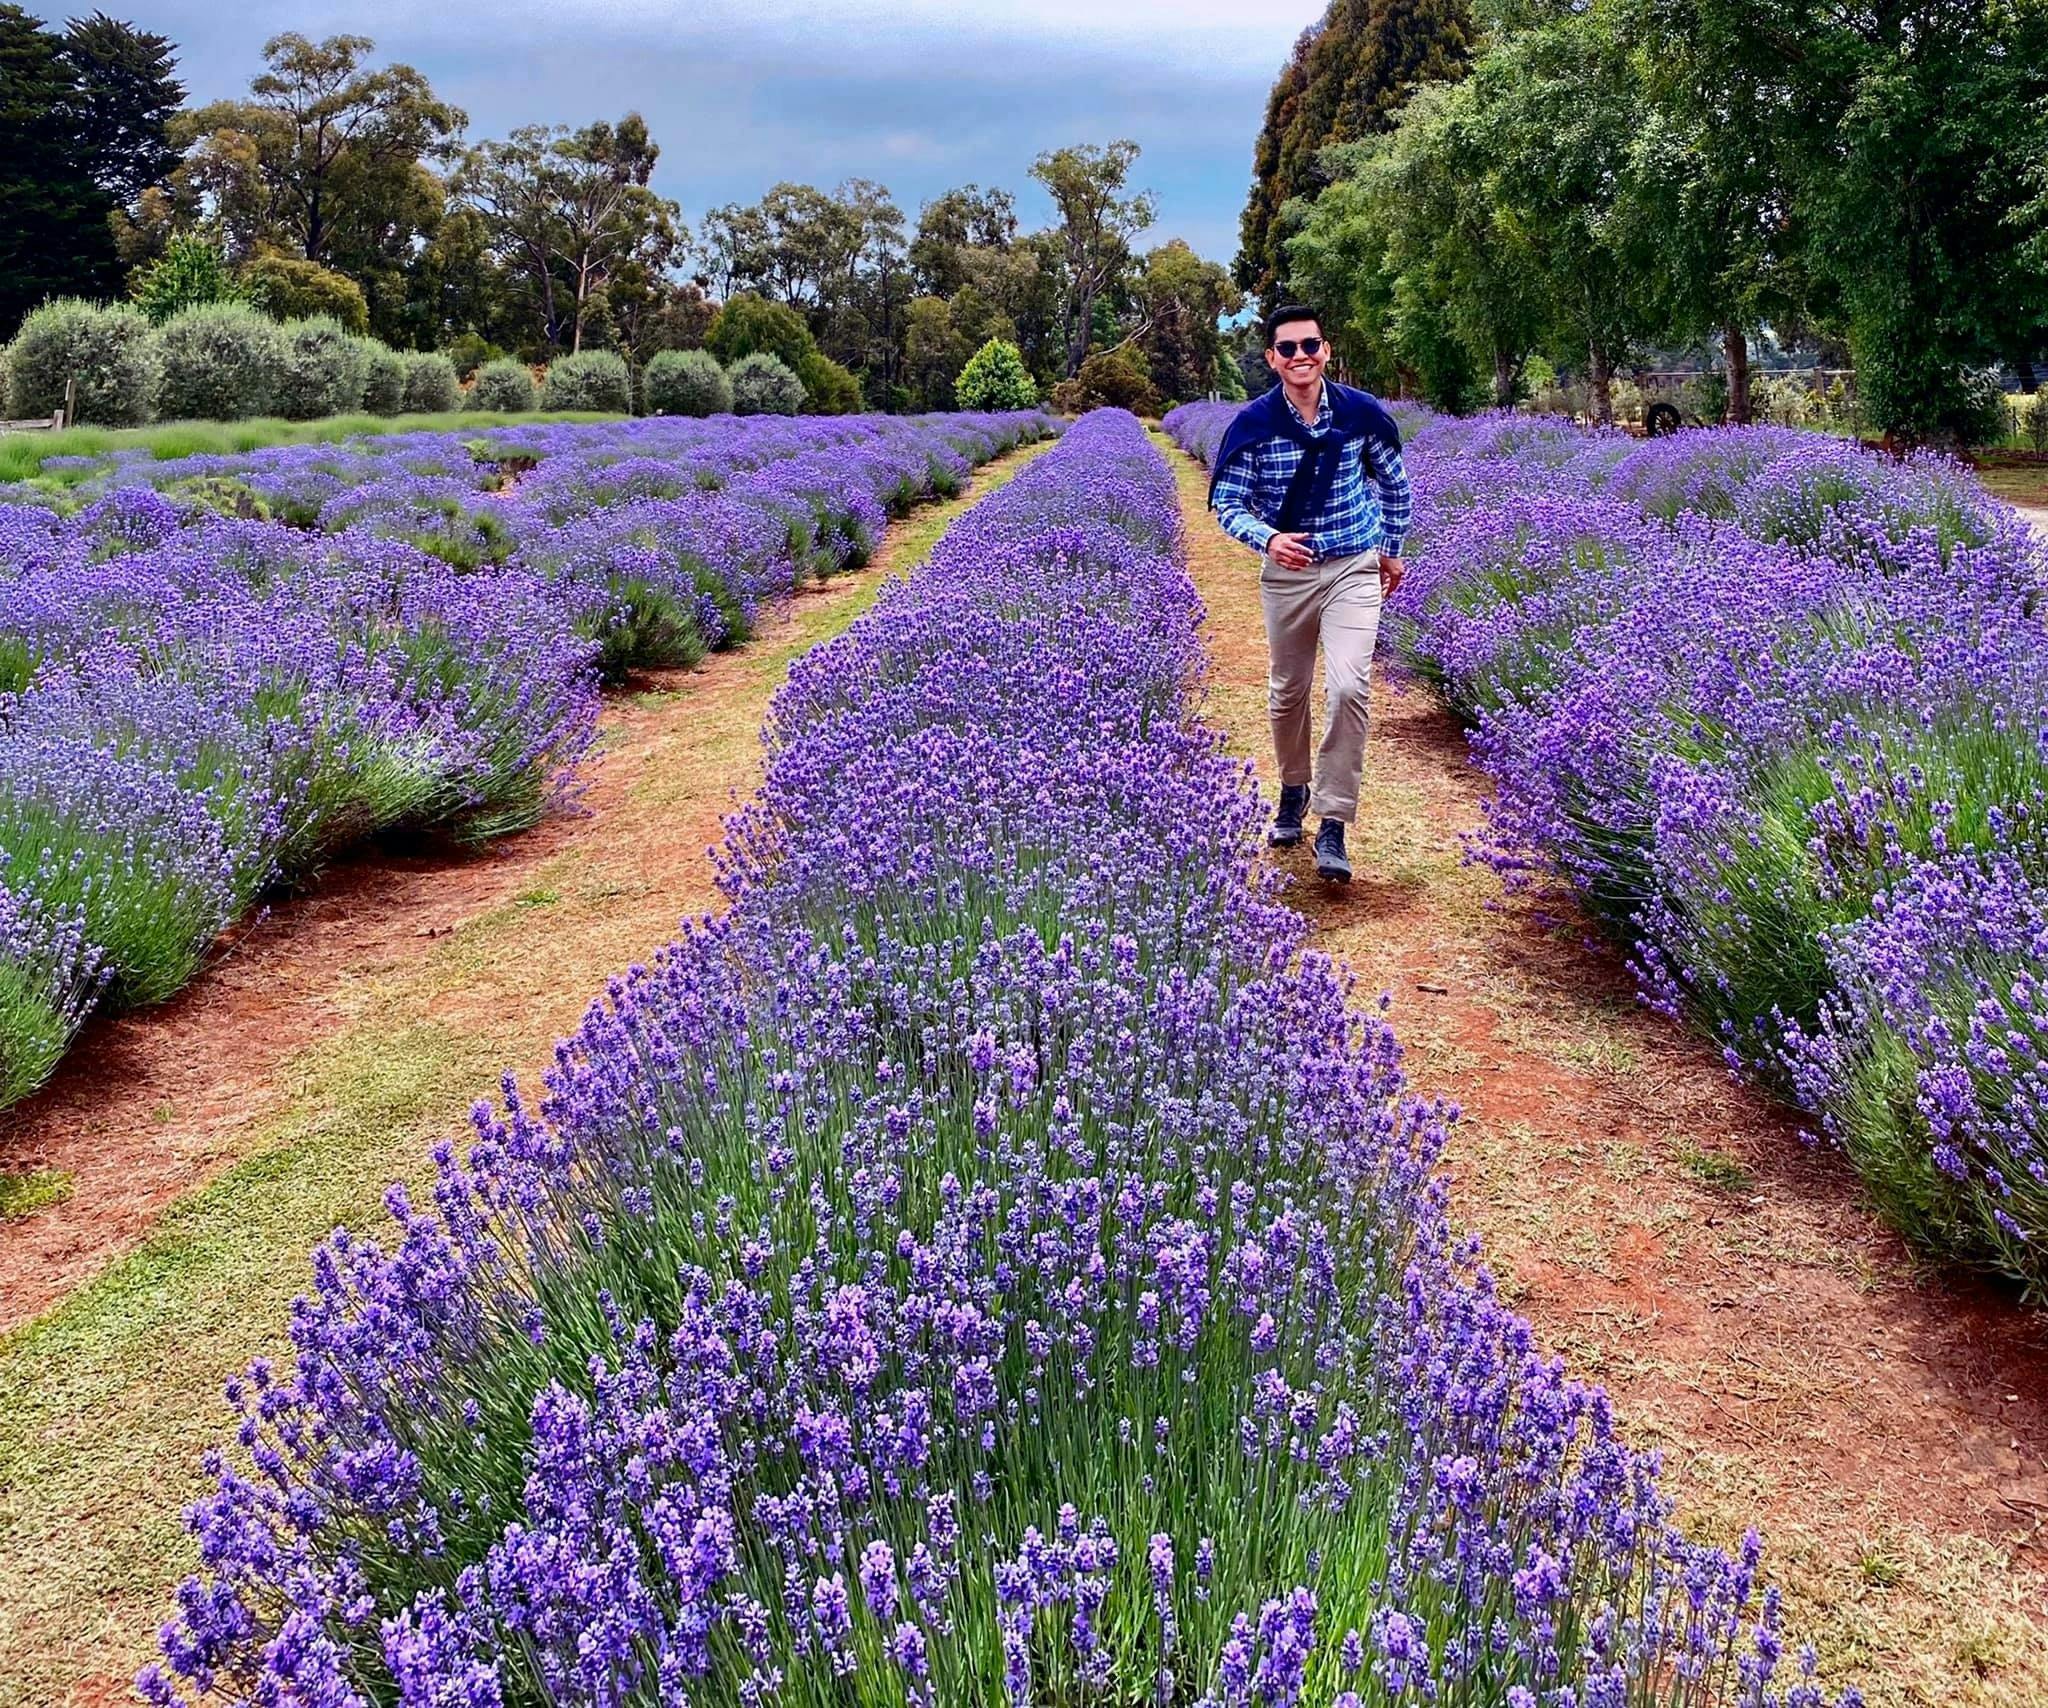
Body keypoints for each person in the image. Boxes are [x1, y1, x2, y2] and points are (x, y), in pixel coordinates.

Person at [1207, 304, 1411, 884]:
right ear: (1272, 358)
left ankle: (1334, 822)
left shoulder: (1360, 414)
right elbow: (1227, 505)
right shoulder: (1252, 424)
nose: (1302, 357)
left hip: (1353, 563)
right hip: (1288, 574)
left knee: (1349, 685)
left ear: (1327, 351)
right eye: (1289, 348)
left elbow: (1394, 483)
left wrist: (1391, 548)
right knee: (1288, 690)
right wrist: (1268, 538)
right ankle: (1293, 788)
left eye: (1311, 346)